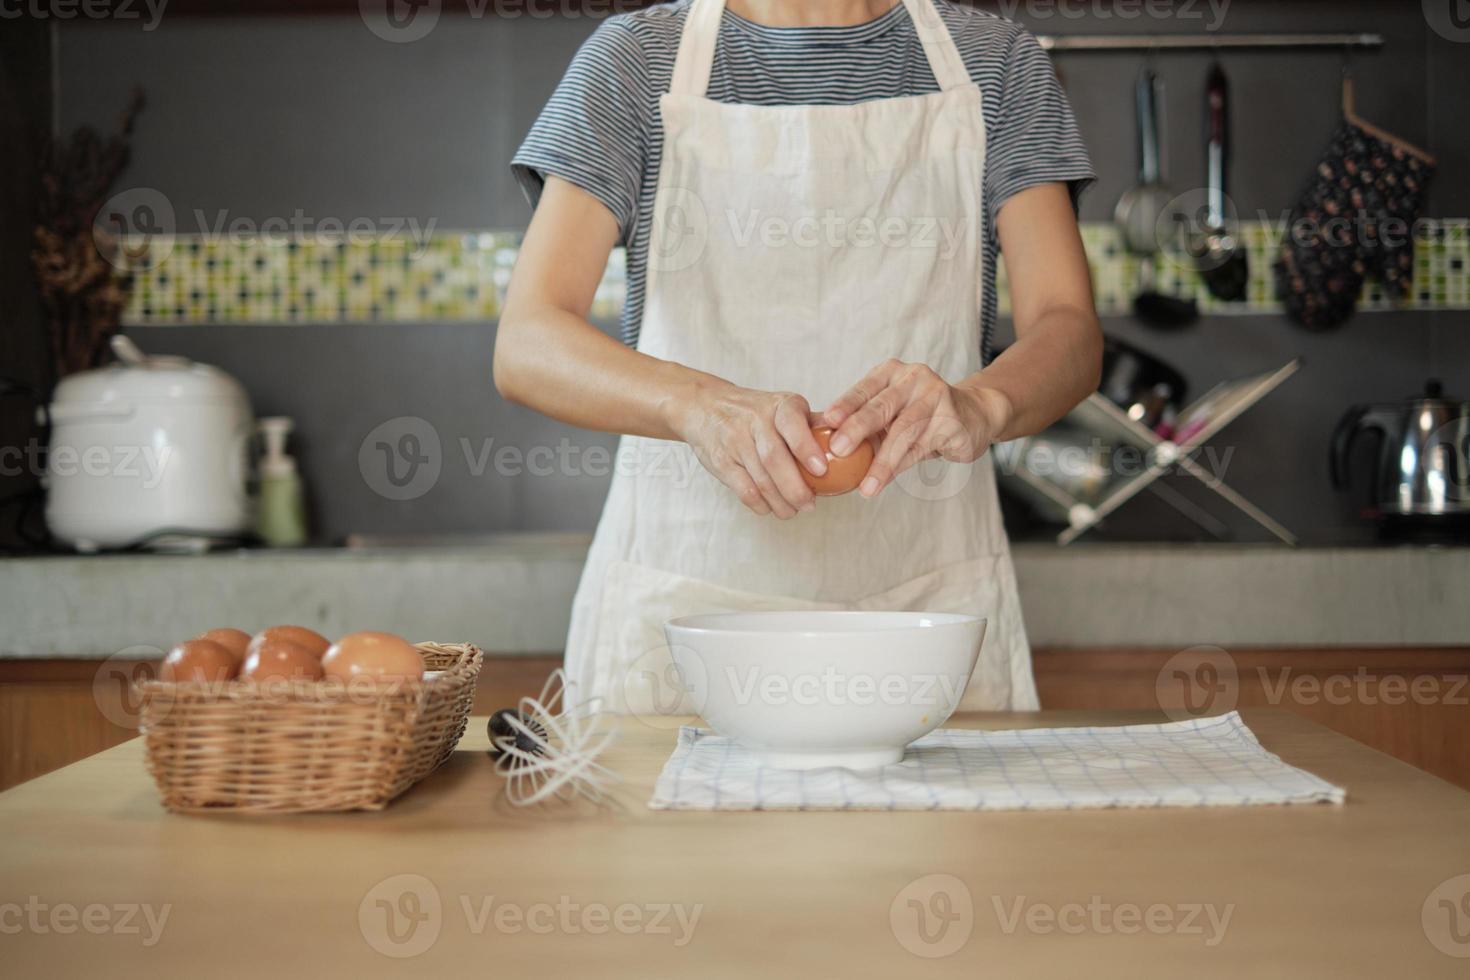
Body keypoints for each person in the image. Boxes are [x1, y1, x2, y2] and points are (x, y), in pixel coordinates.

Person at [495, 0, 1101, 713]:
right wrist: (695, 406)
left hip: (924, 612)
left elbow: (1069, 330)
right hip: (685, 608)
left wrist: (980, 404)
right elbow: (527, 340)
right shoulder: (636, 59)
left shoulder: (995, 61)